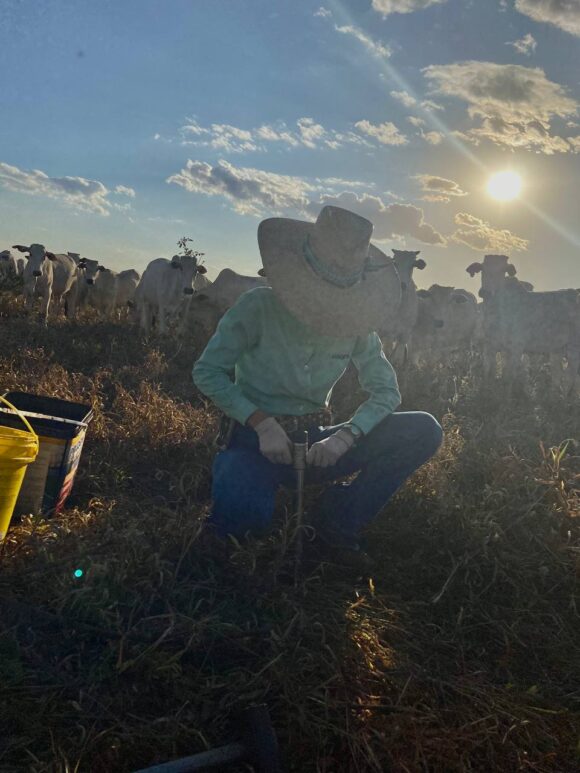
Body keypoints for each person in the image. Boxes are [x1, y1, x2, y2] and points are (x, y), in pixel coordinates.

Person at [193, 206, 443, 568]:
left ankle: (336, 522)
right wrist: (262, 423)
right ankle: (244, 494)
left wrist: (345, 438)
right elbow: (208, 371)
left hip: (316, 443)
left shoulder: (357, 324)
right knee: (240, 535)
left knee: (423, 430)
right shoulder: (257, 307)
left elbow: (387, 390)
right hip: (253, 442)